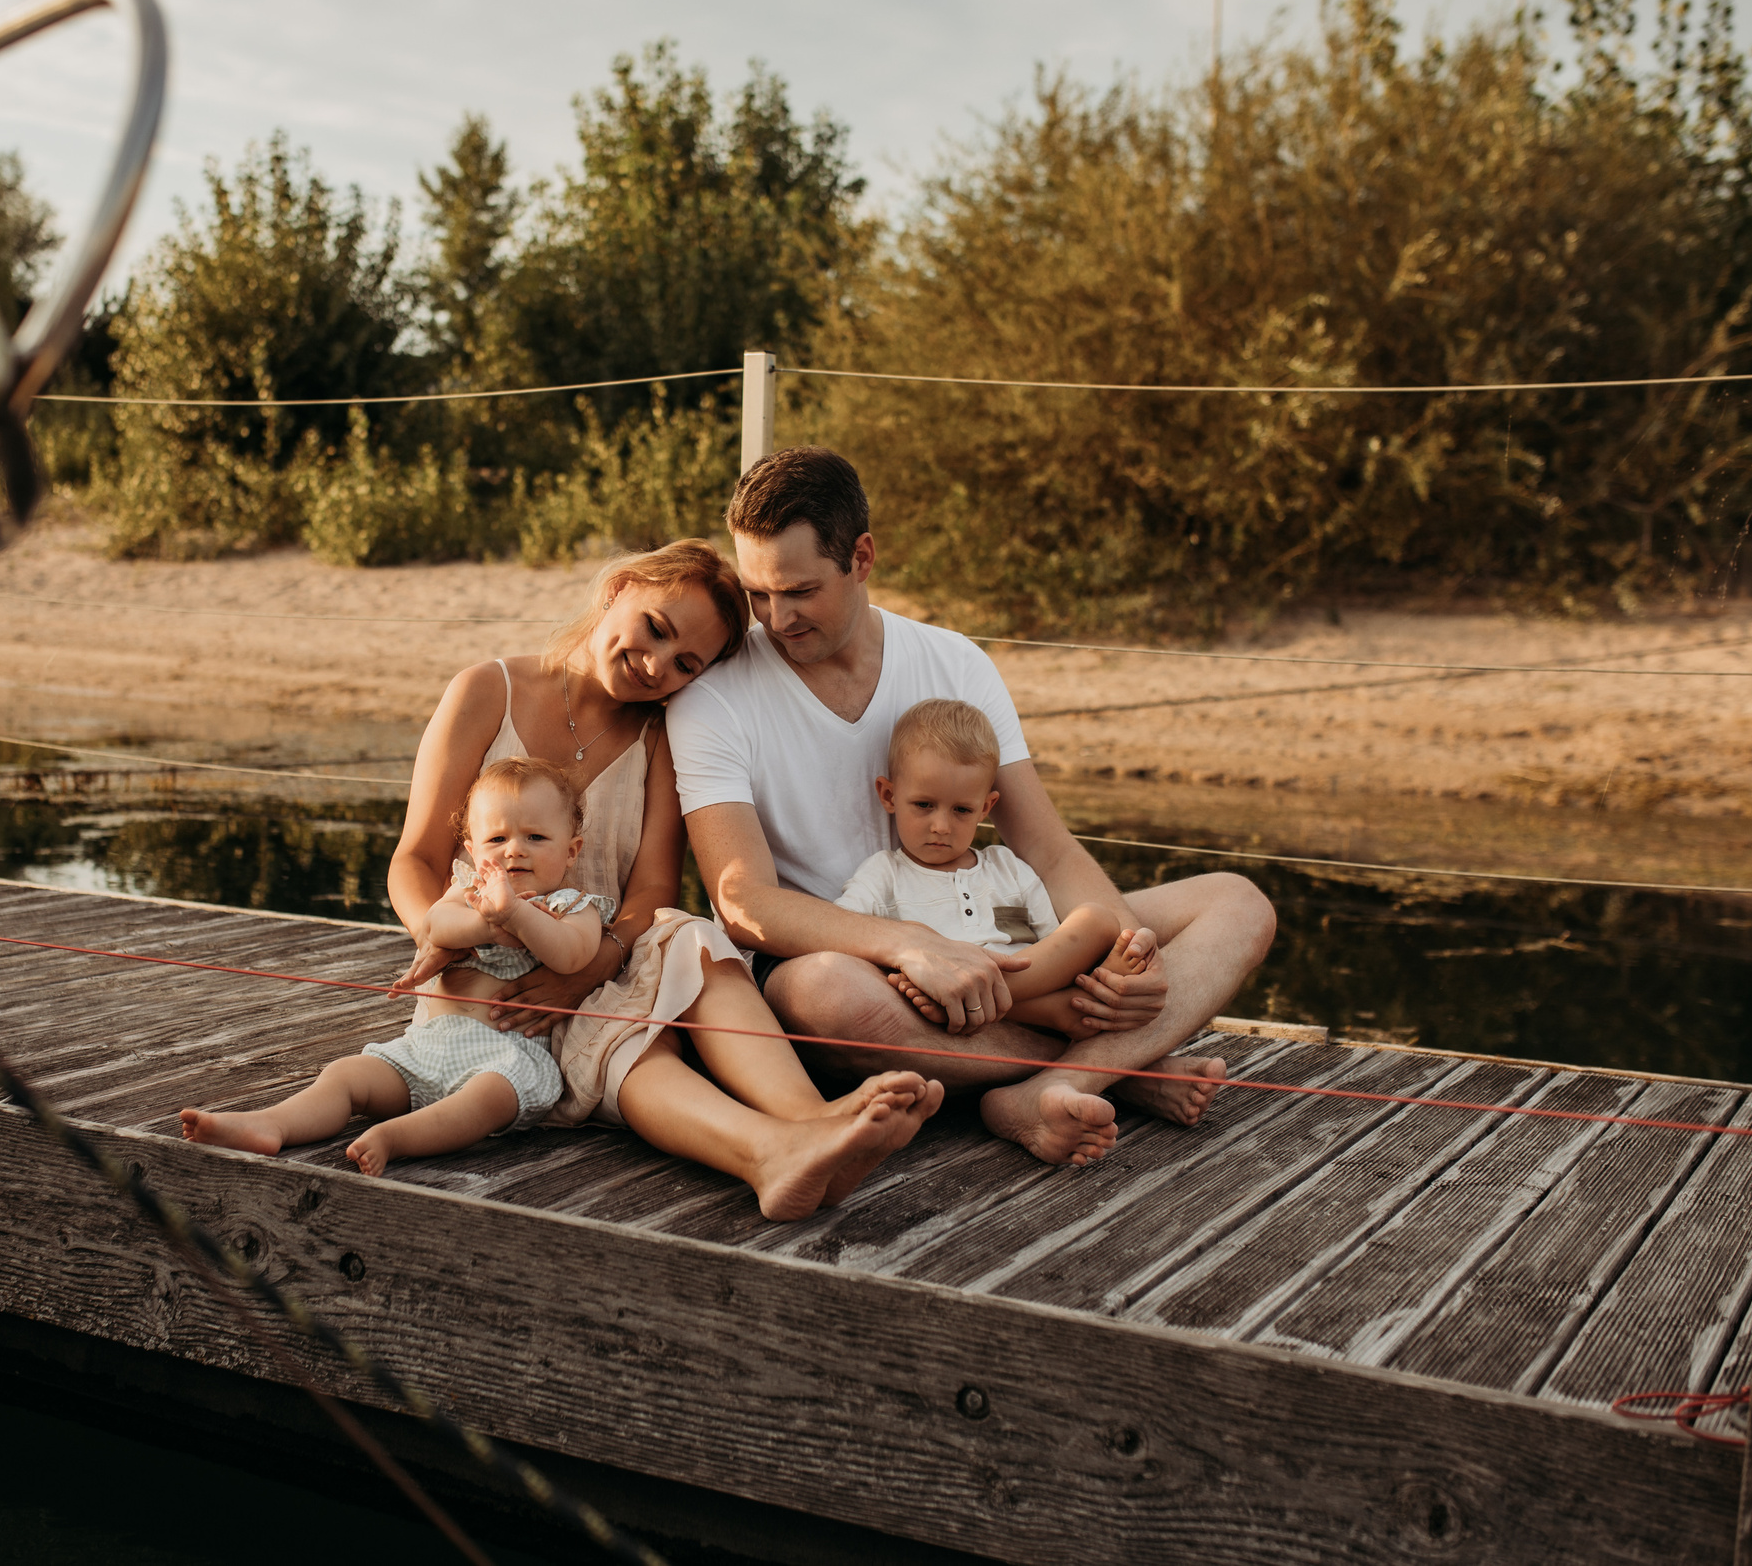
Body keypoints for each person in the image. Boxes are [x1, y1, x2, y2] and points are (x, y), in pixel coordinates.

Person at [671, 448, 1278, 1168]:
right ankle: (1124, 1068)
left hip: (1005, 951)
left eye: (799, 590)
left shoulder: (954, 661)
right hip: (855, 969)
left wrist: (1125, 957)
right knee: (827, 995)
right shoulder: (713, 695)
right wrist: (908, 946)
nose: (776, 618)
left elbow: (1046, 848)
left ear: (861, 557)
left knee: (1237, 903)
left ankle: (1057, 1083)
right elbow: (742, 901)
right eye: (758, 593)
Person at [380, 539, 941, 1221]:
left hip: (597, 953)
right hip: (487, 979)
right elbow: (415, 858)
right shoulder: (485, 690)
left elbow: (649, 892)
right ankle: (769, 1150)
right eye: (655, 629)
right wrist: (434, 936)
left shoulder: (662, 734)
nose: (655, 666)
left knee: (690, 934)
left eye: (685, 664)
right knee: (620, 1038)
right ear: (619, 588)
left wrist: (588, 967)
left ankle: (814, 1122)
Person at [180, 757, 605, 1177]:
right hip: (424, 1048)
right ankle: (271, 1123)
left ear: (571, 851)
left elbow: (572, 955)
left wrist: (516, 914)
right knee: (345, 1075)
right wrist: (488, 923)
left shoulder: (569, 907)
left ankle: (395, 1137)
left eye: (535, 837)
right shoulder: (469, 891)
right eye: (497, 839)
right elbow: (436, 925)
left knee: (488, 1099)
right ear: (472, 850)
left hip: (508, 1058)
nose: (514, 849)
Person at [839, 697, 1154, 1036]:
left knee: (1098, 918)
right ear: (889, 795)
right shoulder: (884, 874)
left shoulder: (1007, 868)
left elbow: (1053, 942)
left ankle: (1014, 1002)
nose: (941, 825)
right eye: (924, 805)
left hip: (1018, 982)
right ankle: (1055, 1010)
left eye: (961, 810)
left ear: (986, 807)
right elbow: (841, 930)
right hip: (939, 982)